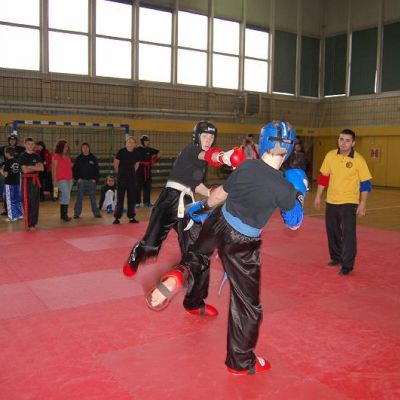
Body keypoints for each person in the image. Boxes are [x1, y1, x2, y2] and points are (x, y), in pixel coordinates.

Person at [146, 120, 307, 375]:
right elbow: (294, 222)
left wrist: (201, 208)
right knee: (247, 305)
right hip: (243, 243)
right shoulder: (284, 187)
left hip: (218, 221)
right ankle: (240, 362)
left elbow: (220, 194)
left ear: (263, 141)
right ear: (288, 149)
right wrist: (299, 192)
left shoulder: (247, 167)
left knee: (198, 257)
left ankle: (181, 273)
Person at [122, 120, 245, 278]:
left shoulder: (201, 161)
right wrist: (224, 157)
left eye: (211, 137)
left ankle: (189, 284)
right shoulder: (191, 150)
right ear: (197, 136)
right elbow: (208, 155)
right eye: (205, 136)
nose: (208, 140)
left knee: (195, 245)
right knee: (150, 246)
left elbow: (194, 183)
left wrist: (210, 192)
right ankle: (137, 253)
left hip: (187, 202)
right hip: (169, 200)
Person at [314, 129, 372, 276]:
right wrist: (318, 196)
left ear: (353, 143)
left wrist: (363, 203)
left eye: (347, 140)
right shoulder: (330, 155)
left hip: (349, 201)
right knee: (332, 230)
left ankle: (347, 265)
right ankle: (336, 257)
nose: (343, 143)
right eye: (341, 139)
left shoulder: (359, 160)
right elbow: (324, 177)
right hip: (331, 200)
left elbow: (365, 183)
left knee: (348, 234)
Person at [113, 136, 141, 224]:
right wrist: (120, 173)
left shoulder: (136, 153)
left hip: (132, 178)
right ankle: (117, 217)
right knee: (120, 198)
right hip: (122, 178)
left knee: (132, 198)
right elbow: (115, 163)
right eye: (129, 142)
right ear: (126, 143)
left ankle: (131, 217)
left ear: (135, 144)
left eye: (133, 142)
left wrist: (132, 172)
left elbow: (137, 164)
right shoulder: (121, 152)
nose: (130, 144)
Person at [19, 137, 44, 231]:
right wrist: (35, 167)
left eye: (32, 144)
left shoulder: (37, 156)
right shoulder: (23, 156)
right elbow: (24, 170)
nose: (30, 146)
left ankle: (33, 223)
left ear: (34, 145)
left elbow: (42, 168)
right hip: (27, 181)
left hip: (35, 180)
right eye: (28, 144)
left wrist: (30, 167)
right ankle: (29, 223)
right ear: (25, 144)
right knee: (28, 202)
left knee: (35, 202)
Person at [73, 142, 101, 219]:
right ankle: (76, 213)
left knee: (93, 198)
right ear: (81, 149)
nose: (85, 149)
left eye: (86, 147)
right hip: (81, 181)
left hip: (91, 182)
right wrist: (77, 178)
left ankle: (96, 213)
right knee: (79, 198)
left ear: (89, 148)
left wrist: (95, 179)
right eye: (83, 148)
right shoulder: (79, 158)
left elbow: (97, 169)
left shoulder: (93, 158)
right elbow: (75, 169)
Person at [135, 134, 160, 208]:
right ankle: (137, 202)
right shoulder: (137, 149)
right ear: (142, 142)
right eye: (146, 141)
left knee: (147, 187)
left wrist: (154, 160)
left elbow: (158, 152)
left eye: (148, 141)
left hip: (148, 170)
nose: (147, 142)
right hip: (139, 170)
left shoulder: (150, 150)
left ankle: (147, 202)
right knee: (138, 187)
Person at [52, 140, 73, 222]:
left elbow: (69, 168)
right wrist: (54, 181)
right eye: (65, 146)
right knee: (67, 195)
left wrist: (72, 178)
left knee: (64, 196)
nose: (66, 148)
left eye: (67, 146)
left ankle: (63, 215)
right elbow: (54, 170)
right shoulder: (56, 156)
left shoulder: (68, 156)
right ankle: (65, 214)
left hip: (69, 179)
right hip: (61, 179)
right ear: (61, 147)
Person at [1, 147, 23, 222]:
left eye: (5, 152)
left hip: (9, 184)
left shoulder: (7, 162)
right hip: (17, 183)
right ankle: (19, 214)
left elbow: (5, 175)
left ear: (7, 153)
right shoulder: (17, 161)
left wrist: (1, 170)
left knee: (10, 200)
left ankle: (12, 216)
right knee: (17, 199)